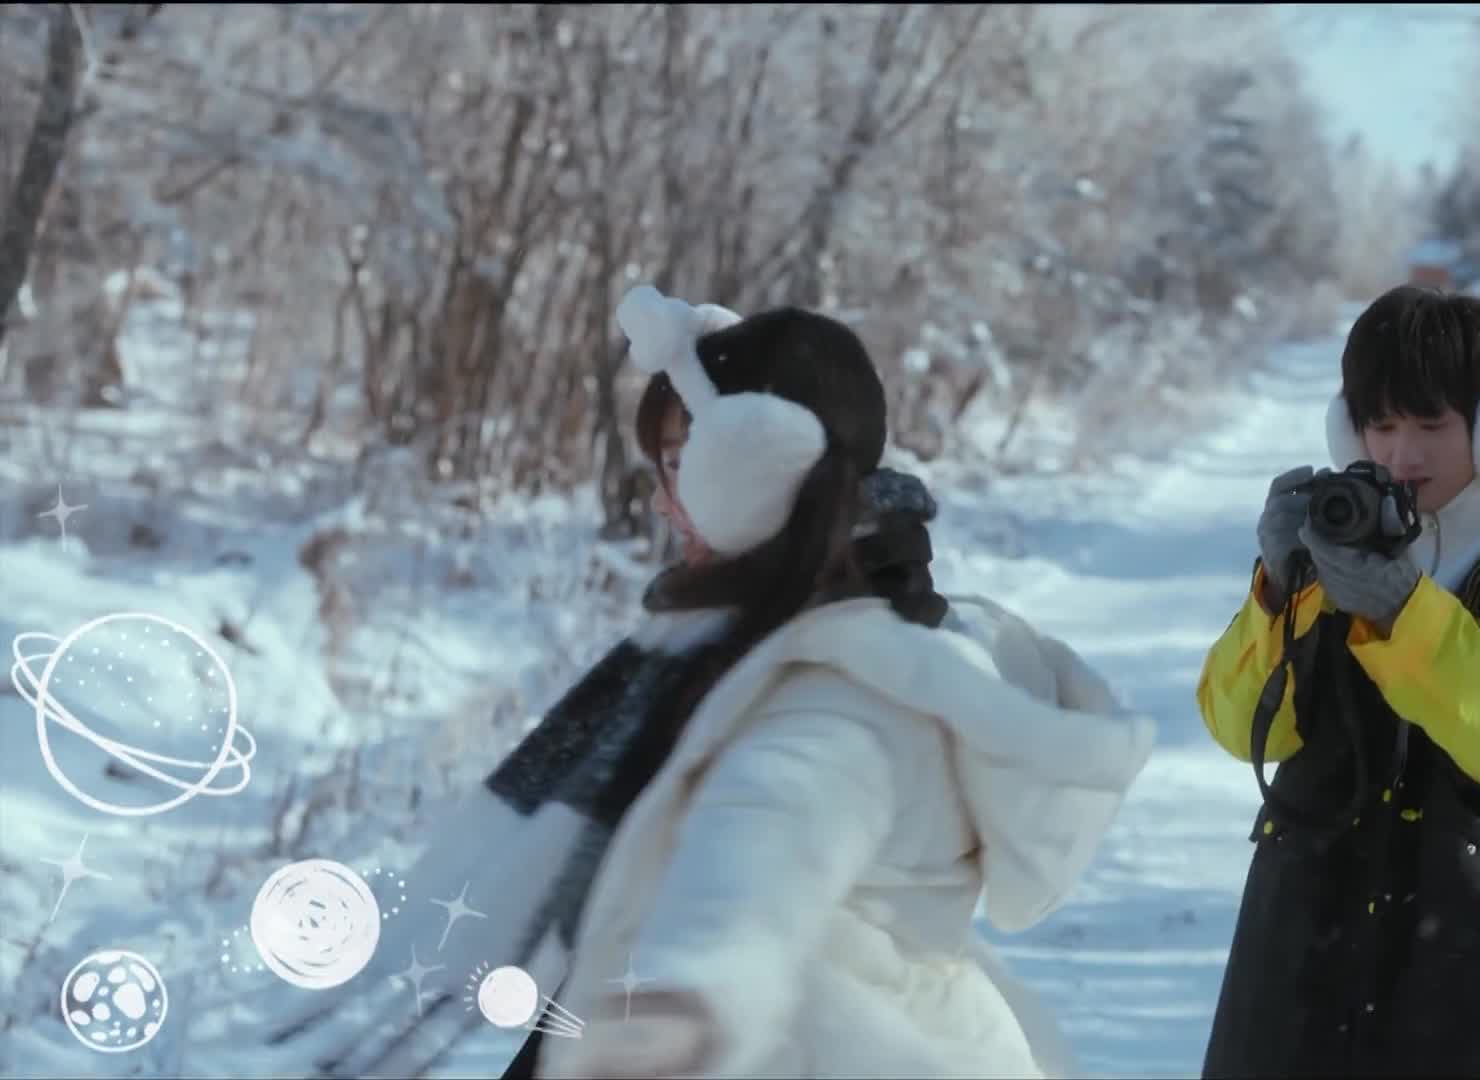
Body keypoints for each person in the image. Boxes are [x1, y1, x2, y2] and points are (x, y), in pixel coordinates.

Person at [263, 287, 1150, 1080]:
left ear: (755, 462)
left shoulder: (842, 691)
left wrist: (682, 1005)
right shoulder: (846, 643)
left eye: (680, 462)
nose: (662, 498)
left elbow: (757, 859)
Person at [1195, 286, 1480, 1078]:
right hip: (1306, 957)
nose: (1402, 455)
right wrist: (1276, 592)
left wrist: (1404, 614)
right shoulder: (1331, 546)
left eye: (1432, 426)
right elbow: (1241, 728)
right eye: (1381, 426)